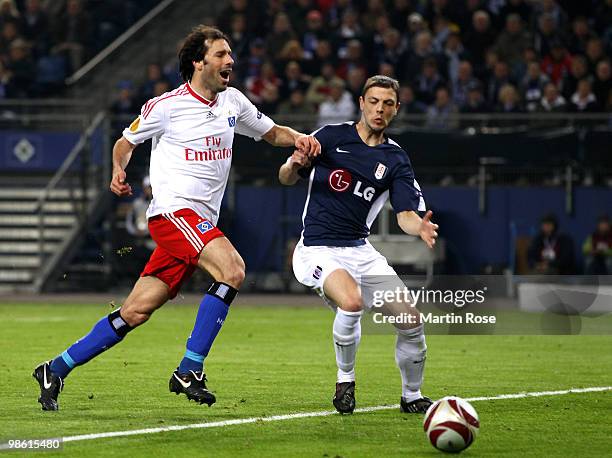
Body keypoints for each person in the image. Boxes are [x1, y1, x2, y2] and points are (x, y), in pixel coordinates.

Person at [32, 25, 320, 411]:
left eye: (230, 54)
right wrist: (118, 170)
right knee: (232, 269)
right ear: (198, 62)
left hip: (199, 224)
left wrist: (300, 138)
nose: (230, 60)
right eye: (220, 54)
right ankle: (190, 369)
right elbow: (125, 142)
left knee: (135, 311)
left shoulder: (233, 102)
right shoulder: (165, 106)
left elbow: (271, 133)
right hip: (173, 214)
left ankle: (55, 368)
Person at [279, 75, 438, 415]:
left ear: (396, 110)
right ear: (362, 103)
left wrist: (419, 227)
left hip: (360, 251)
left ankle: (412, 396)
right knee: (351, 303)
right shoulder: (330, 136)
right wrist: (294, 163)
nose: (380, 109)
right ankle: (345, 381)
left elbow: (406, 214)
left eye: (388, 104)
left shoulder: (395, 159)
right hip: (317, 248)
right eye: (375, 101)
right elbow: (286, 177)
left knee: (412, 321)